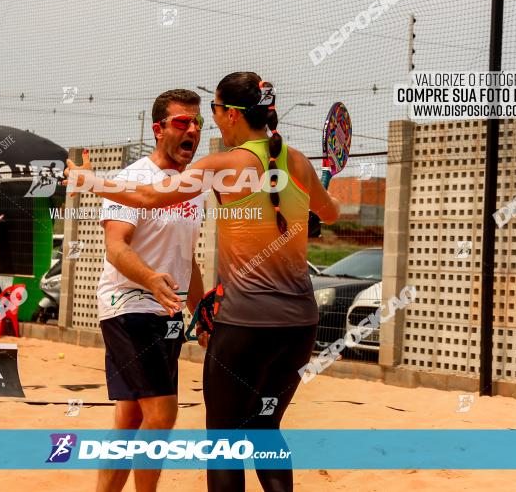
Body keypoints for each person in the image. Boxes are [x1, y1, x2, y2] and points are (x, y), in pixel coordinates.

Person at [66, 72, 340, 492]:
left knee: (222, 438)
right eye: (187, 121)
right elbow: (333, 213)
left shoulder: (218, 167)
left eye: (209, 113)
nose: (201, 125)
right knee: (262, 428)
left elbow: (148, 198)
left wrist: (88, 180)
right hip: (299, 324)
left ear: (230, 115)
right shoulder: (299, 162)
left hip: (245, 321)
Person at [95, 89, 207, 492]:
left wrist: (203, 310)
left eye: (197, 123)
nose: (192, 129)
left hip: (168, 312)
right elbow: (116, 247)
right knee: (162, 415)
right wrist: (150, 279)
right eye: (182, 122)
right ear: (159, 129)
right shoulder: (130, 180)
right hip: (128, 305)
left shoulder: (192, 188)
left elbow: (186, 258)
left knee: (129, 420)